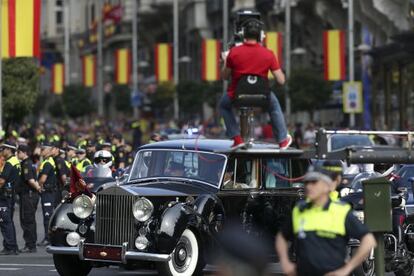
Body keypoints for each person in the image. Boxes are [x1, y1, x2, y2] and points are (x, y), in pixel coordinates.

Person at [275, 168, 377, 276]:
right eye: (306, 183)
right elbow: (281, 237)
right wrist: (285, 262)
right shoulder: (299, 210)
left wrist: (347, 269)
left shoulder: (340, 211)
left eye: (314, 182)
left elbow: (369, 240)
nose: (309, 186)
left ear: (326, 186)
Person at [220, 17, 291, 149]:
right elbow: (281, 80)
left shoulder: (234, 52)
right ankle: (282, 140)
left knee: (223, 106)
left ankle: (236, 138)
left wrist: (225, 60)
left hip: (237, 96)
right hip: (262, 97)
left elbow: (225, 76)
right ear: (259, 36)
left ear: (243, 35)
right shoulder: (268, 54)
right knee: (274, 106)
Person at [17, 144, 41, 253]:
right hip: (29, 195)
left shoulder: (26, 164)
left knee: (27, 220)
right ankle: (31, 244)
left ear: (24, 152)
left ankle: (30, 245)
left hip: (28, 195)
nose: (17, 154)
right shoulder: (28, 163)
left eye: (19, 152)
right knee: (29, 220)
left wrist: (38, 189)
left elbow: (30, 180)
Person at [0, 141, 20, 255]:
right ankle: (12, 245)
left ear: (9, 150)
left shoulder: (9, 163)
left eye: (3, 149)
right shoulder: (15, 161)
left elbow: (2, 181)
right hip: (11, 194)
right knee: (8, 221)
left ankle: (10, 247)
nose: (2, 151)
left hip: (5, 196)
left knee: (5, 221)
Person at [38, 143, 58, 246]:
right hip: (48, 192)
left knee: (47, 216)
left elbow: (43, 179)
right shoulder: (46, 161)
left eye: (43, 149)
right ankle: (48, 237)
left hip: (48, 192)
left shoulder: (47, 163)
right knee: (48, 216)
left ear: (48, 151)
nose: (41, 151)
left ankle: (48, 238)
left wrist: (39, 186)